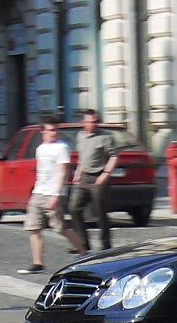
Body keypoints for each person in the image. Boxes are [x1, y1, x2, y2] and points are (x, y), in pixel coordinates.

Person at [19, 115, 72, 275]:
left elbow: (64, 172)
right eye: (50, 130)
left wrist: (56, 195)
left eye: (55, 130)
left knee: (59, 228)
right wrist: (35, 190)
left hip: (54, 193)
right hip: (39, 192)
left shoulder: (62, 148)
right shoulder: (40, 149)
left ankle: (83, 252)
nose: (53, 133)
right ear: (42, 131)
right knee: (33, 227)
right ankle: (38, 263)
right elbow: (41, 171)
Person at [64, 109, 119, 253]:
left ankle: (105, 245)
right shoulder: (81, 136)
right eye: (91, 121)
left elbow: (114, 156)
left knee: (99, 212)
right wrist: (78, 172)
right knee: (74, 208)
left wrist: (106, 174)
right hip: (84, 177)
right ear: (83, 123)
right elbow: (83, 157)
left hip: (98, 177)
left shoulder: (106, 137)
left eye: (96, 121)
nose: (94, 124)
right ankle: (83, 243)